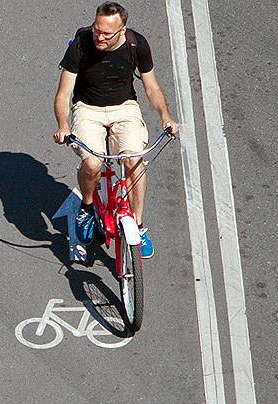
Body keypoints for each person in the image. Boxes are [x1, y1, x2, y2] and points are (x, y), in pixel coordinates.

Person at [53, 1, 180, 259]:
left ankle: (139, 226)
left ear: (122, 30)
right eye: (96, 29)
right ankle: (88, 207)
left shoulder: (137, 45)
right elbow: (63, 94)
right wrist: (63, 125)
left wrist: (166, 116)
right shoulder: (80, 45)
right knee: (93, 163)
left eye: (106, 33)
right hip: (88, 109)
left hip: (125, 107)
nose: (99, 36)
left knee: (134, 159)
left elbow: (152, 88)